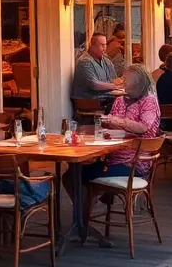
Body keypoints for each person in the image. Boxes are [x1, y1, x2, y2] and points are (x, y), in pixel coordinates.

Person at [66, 64, 161, 222]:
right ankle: (85, 210)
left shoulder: (149, 102)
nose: (123, 83)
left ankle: (83, 216)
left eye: (127, 80)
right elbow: (112, 124)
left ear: (139, 83)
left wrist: (119, 121)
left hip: (133, 165)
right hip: (112, 158)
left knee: (76, 175)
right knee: (72, 173)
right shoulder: (119, 101)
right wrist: (106, 123)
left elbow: (143, 127)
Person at [71, 32, 120, 103]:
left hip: (105, 98)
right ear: (92, 46)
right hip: (88, 100)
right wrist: (115, 86)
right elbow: (94, 85)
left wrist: (123, 83)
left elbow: (114, 80)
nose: (104, 48)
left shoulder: (106, 61)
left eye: (105, 45)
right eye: (101, 45)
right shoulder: (85, 61)